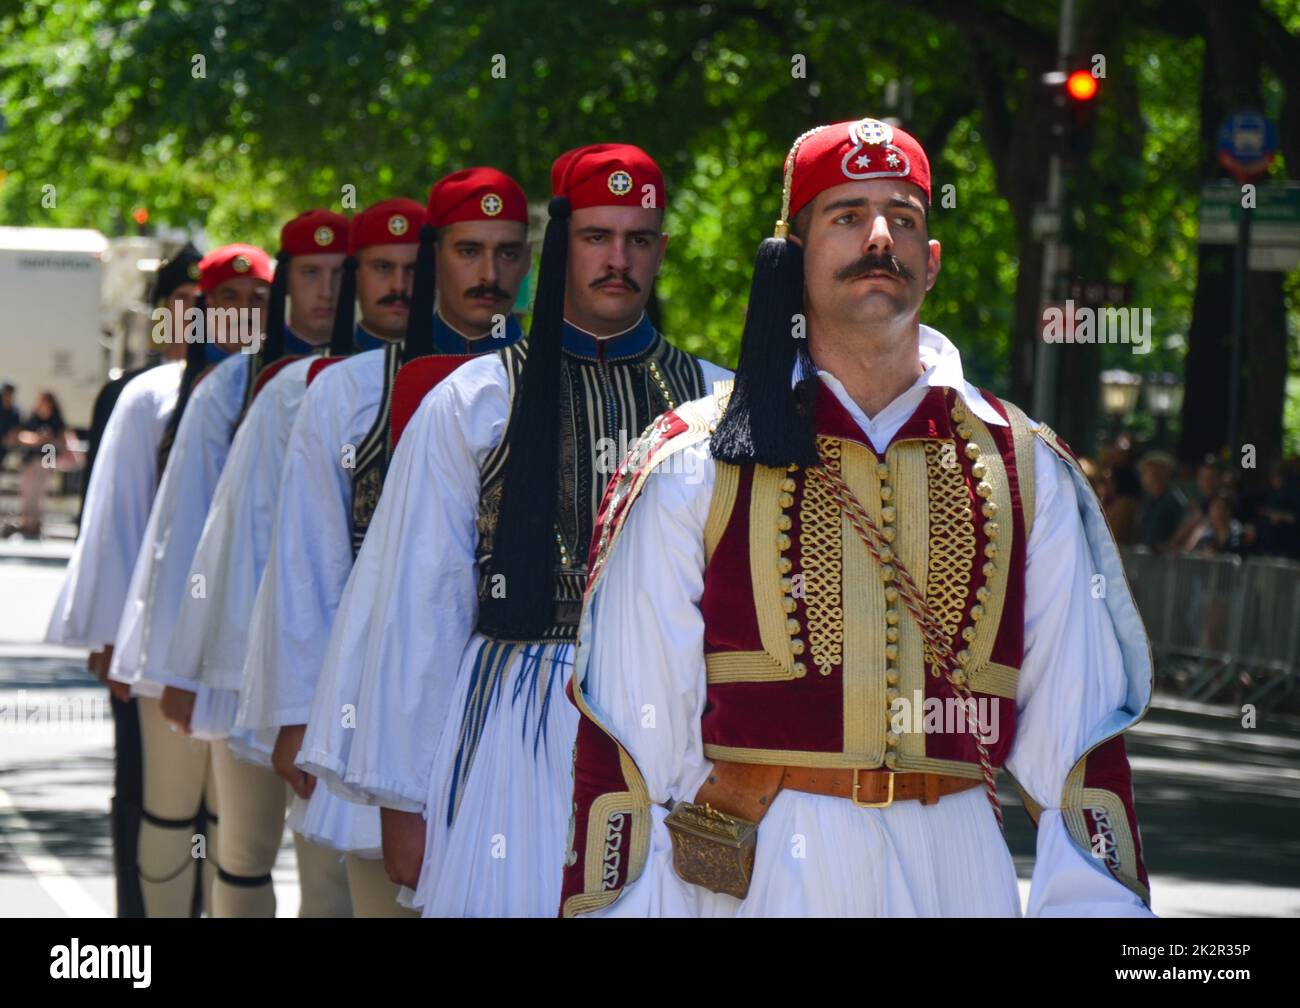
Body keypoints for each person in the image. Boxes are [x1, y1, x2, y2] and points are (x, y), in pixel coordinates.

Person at [561, 118, 1152, 918]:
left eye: (903, 218)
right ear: (791, 257)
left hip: (960, 870)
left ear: (932, 261)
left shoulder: (1026, 465)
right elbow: (631, 741)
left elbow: (1079, 745)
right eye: (846, 216)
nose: (880, 237)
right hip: (765, 875)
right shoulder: (693, 458)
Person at [304, 143, 730, 917]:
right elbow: (417, 607)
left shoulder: (717, 401)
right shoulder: (472, 401)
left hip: (673, 733)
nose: (618, 259)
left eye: (638, 239)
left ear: (661, 249)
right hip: (510, 722)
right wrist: (403, 800)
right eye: (597, 237)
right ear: (561, 245)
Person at [237, 186, 528, 917]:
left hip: (517, 713)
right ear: (437, 258)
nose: (488, 271)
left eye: (506, 251)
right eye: (468, 250)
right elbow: (308, 561)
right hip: (376, 700)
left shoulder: (551, 382)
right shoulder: (347, 392)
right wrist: (299, 712)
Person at [157, 211, 351, 918]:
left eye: (341, 273)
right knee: (242, 852)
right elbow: (198, 536)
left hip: (337, 668)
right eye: (310, 273)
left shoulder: (378, 380)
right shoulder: (235, 388)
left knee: (332, 869)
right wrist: (181, 662)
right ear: (286, 281)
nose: (328, 290)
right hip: (243, 654)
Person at [107, 243, 273, 916]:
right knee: (172, 811)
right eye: (226, 300)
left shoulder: (293, 388)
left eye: (255, 300)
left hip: (251, 640)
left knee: (235, 830)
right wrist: (115, 634)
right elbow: (130, 527)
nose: (240, 313)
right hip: (174, 627)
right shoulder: (156, 396)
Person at [44, 242, 203, 916]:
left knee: (214, 804)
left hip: (207, 630)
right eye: (184, 303)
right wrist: (106, 629)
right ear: (164, 313)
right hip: (137, 628)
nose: (197, 317)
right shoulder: (128, 396)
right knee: (142, 786)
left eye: (211, 304)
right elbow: (103, 521)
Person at [6, 390, 74, 538]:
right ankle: (26, 522)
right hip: (31, 459)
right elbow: (21, 436)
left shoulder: (56, 421)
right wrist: (38, 439)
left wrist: (49, 440)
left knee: (39, 493)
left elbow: (63, 442)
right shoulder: (33, 419)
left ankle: (35, 524)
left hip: (47, 459)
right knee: (28, 492)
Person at [1135, 451, 1186, 553]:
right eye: (1145, 472)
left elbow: (1182, 530)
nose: (1147, 476)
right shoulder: (1147, 501)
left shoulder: (1173, 500)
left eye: (1152, 471)